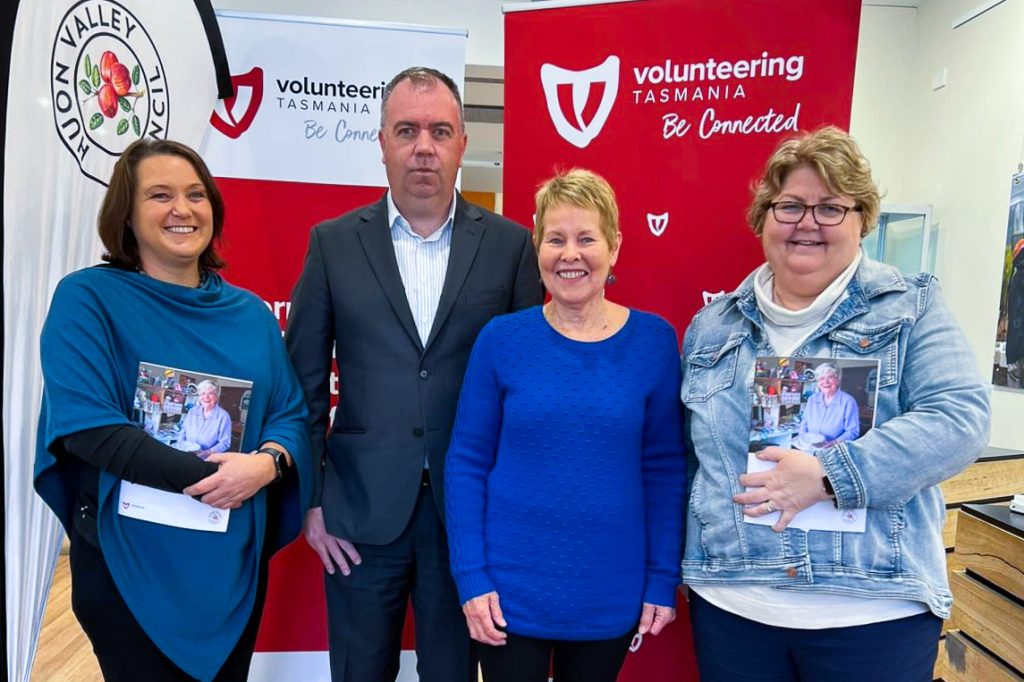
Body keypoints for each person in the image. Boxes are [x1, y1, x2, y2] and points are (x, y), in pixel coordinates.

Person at [680, 126, 990, 681]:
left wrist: (829, 475)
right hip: (734, 606)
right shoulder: (712, 327)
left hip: (871, 611)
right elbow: (689, 459)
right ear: (763, 218)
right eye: (791, 205)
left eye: (830, 208)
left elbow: (959, 418)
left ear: (861, 219)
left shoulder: (909, 308)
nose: (807, 223)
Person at [286, 66, 543, 682]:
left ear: (461, 145)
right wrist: (312, 504)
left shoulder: (512, 247)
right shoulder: (332, 243)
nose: (423, 146)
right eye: (406, 130)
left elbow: (527, 389)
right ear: (381, 143)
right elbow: (304, 385)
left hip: (468, 520)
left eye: (439, 131)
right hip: (357, 515)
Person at [34, 138, 311, 682]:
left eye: (196, 194)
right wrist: (221, 479)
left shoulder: (250, 314)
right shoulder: (87, 299)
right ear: (127, 215)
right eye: (160, 195)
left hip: (229, 567)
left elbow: (290, 414)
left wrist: (269, 463)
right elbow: (91, 428)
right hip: (130, 563)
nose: (183, 209)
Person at [445, 169, 686, 682]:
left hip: (609, 589)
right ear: (537, 247)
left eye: (586, 238)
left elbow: (665, 470)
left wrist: (662, 579)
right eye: (555, 239)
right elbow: (466, 463)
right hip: (508, 593)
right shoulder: (501, 339)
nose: (569, 254)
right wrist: (471, 577)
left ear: (614, 246)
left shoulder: (654, 342)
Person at [797, 362, 859, 448]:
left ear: (838, 380)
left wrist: (835, 443)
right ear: (818, 382)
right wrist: (803, 439)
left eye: (830, 377)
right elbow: (805, 423)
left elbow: (852, 431)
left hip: (834, 449)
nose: (825, 382)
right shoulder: (812, 399)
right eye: (821, 378)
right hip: (809, 447)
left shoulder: (848, 402)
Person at [178, 379, 232, 458]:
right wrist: (180, 446)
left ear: (216, 397)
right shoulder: (192, 411)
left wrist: (208, 453)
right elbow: (183, 430)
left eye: (210, 393)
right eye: (203, 393)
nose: (206, 397)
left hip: (206, 459)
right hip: (186, 455)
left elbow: (225, 443)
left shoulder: (223, 416)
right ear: (199, 397)